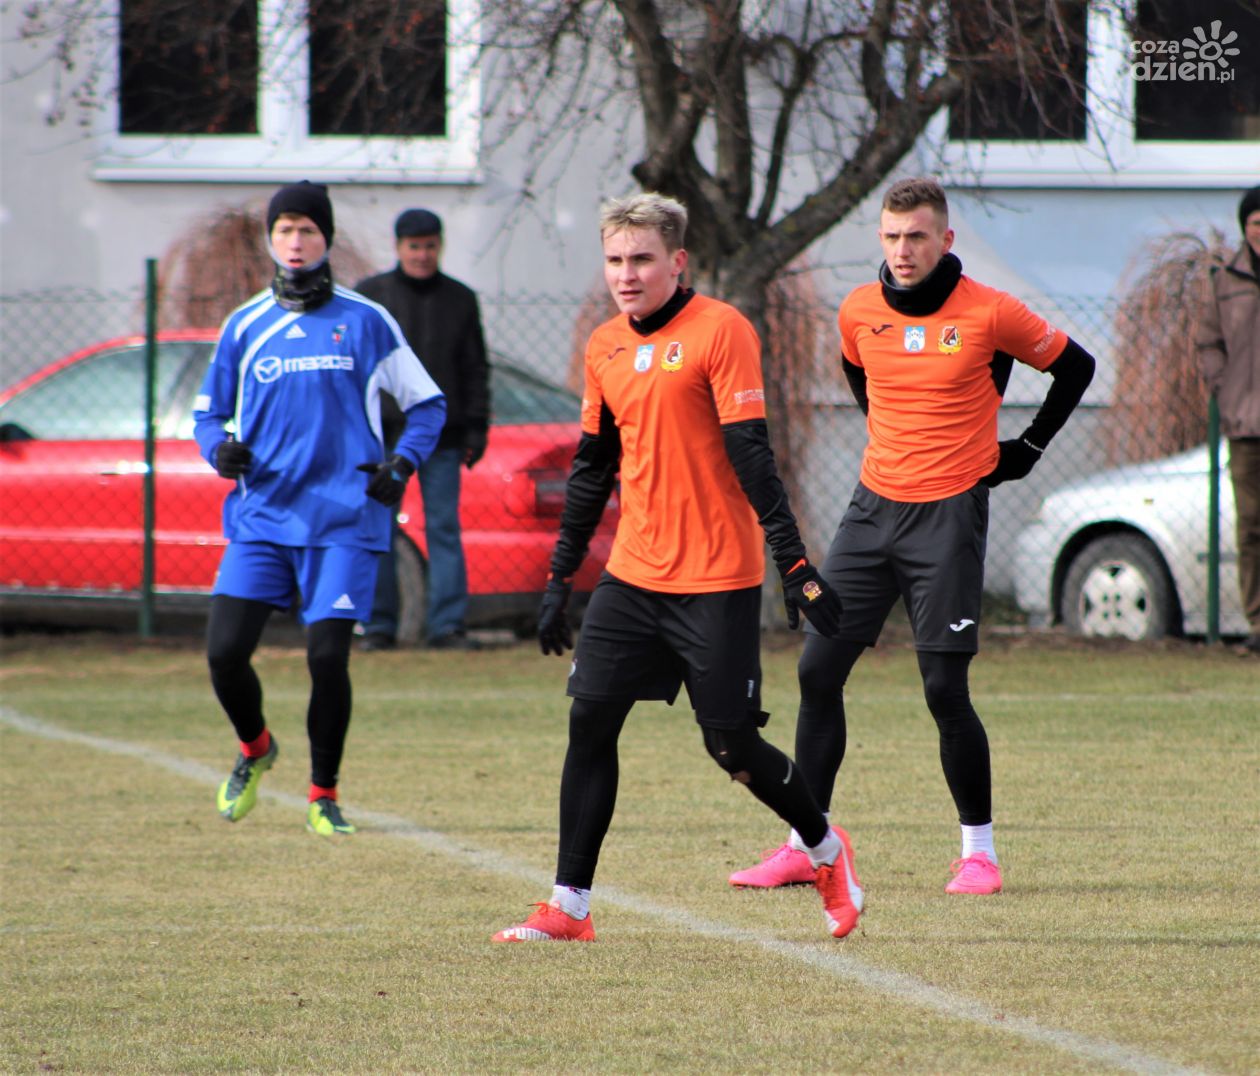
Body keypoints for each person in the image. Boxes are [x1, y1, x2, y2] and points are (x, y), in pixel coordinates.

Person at [491, 192, 863, 944]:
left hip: (717, 577)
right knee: (589, 721)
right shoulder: (604, 346)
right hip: (633, 574)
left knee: (730, 746)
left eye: (642, 259)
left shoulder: (722, 330)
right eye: (614, 259)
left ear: (677, 261)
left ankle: (826, 851)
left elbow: (752, 454)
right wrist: (559, 579)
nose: (626, 274)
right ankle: (569, 905)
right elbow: (593, 467)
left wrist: (792, 561)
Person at [729, 177, 1095, 896]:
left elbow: (1075, 367)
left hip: (948, 517)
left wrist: (1028, 448)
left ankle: (979, 855)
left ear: (945, 240)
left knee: (943, 688)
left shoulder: (991, 312)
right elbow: (860, 376)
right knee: (816, 672)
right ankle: (808, 845)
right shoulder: (858, 310)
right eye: (893, 237)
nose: (903, 250)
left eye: (918, 236)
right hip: (870, 513)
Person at [193, 181, 446, 836]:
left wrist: (401, 464)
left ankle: (323, 795)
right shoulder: (245, 325)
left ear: (326, 239)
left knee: (328, 657)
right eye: (285, 230)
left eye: (308, 229)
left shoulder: (366, 320)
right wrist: (218, 450)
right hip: (264, 517)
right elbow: (207, 414)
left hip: (344, 520)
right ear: (271, 240)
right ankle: (255, 748)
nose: (296, 241)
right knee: (223, 653)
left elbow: (428, 405)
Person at [354, 209, 491, 651]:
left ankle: (447, 626)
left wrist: (477, 427)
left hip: (442, 436)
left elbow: (474, 367)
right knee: (377, 525)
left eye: (430, 246)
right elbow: (355, 369)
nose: (422, 255)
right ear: (398, 248)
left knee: (443, 528)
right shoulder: (372, 297)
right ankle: (378, 625)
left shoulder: (460, 299)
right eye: (414, 247)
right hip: (383, 435)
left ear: (440, 246)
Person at [1197, 185, 1260, 655]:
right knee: (1251, 527)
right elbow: (1208, 342)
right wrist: (1224, 387)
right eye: (1257, 223)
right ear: (1245, 227)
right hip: (1245, 425)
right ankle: (1258, 622)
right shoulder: (1225, 281)